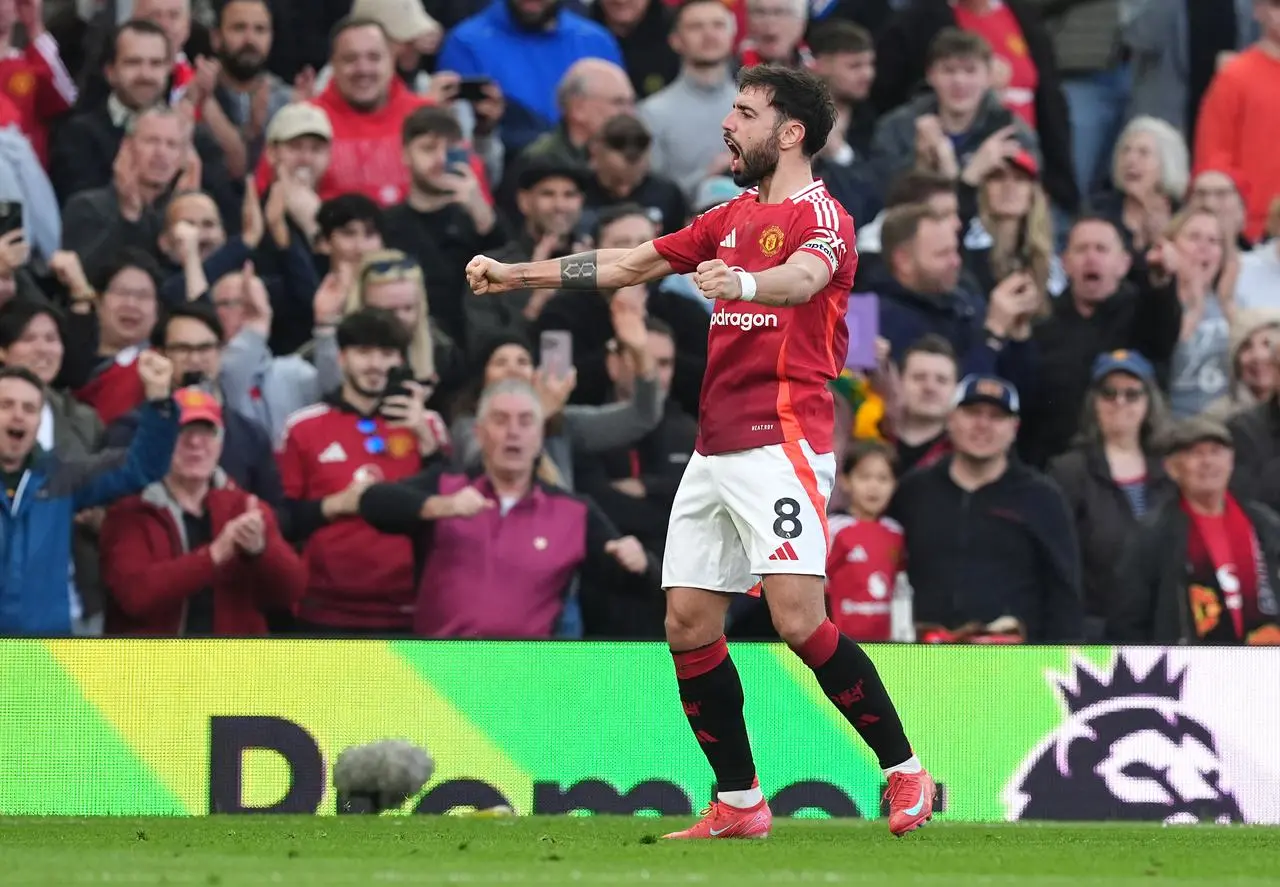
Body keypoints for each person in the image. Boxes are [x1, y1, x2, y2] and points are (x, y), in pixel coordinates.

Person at [466, 63, 934, 838]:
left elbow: (800, 279)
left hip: (784, 442)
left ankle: (904, 770)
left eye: (745, 113)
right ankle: (742, 801)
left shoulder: (827, 218)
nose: (729, 124)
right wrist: (519, 274)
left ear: (789, 134)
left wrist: (742, 287)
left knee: (795, 617)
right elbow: (630, 264)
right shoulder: (727, 217)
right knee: (686, 620)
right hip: (716, 449)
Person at [825, 440, 903, 642]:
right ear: (845, 481)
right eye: (864, 477)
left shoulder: (896, 532)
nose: (874, 486)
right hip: (840, 640)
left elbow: (900, 587)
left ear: (895, 484)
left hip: (886, 642)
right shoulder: (833, 528)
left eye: (883, 478)